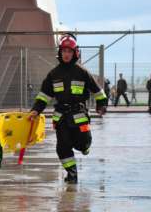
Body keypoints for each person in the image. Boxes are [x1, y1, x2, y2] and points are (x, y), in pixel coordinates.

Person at [29, 34, 107, 184]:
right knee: (62, 147)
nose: (66, 54)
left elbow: (98, 91)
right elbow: (44, 95)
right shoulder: (53, 74)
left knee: (83, 143)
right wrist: (35, 110)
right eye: (64, 51)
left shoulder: (82, 72)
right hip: (61, 116)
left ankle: (85, 147)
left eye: (69, 51)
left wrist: (101, 104)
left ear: (75, 53)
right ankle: (72, 174)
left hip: (79, 115)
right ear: (60, 52)